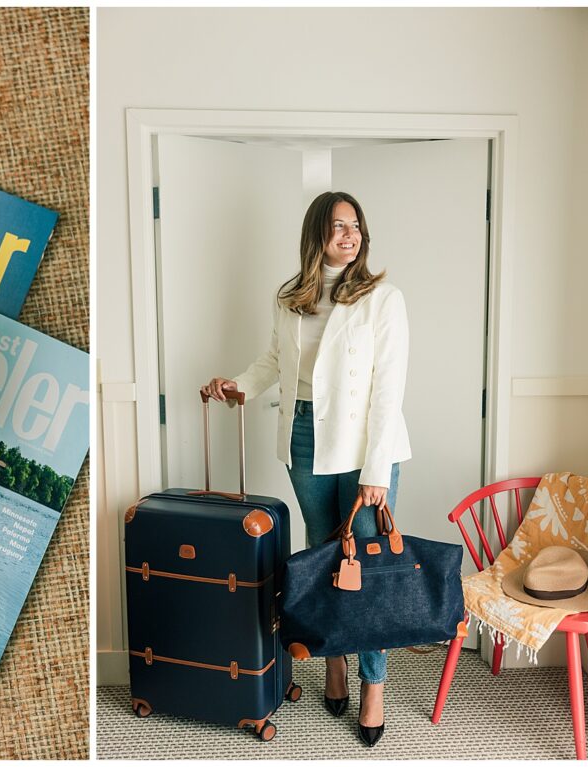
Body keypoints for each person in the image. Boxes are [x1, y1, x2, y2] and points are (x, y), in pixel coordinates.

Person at [201, 191, 410, 748]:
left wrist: (377, 470)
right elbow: (275, 359)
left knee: (364, 567)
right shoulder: (291, 296)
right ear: (316, 233)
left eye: (357, 226)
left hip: (366, 443)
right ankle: (334, 660)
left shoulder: (382, 299)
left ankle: (373, 685)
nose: (351, 235)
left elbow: (389, 391)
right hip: (303, 435)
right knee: (325, 558)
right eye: (339, 226)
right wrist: (238, 386)